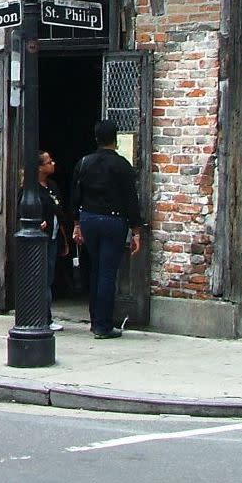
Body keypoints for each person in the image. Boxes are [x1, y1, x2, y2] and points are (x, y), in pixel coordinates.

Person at [70, 119, 144, 339]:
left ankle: (95, 320)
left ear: (96, 139)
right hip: (113, 221)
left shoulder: (84, 163)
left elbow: (76, 196)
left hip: (89, 219)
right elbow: (132, 200)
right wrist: (136, 230)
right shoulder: (122, 166)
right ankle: (103, 325)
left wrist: (76, 223)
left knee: (95, 269)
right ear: (115, 139)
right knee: (107, 273)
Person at [37, 151, 70, 331]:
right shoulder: (30, 189)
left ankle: (46, 317)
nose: (53, 163)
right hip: (40, 240)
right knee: (41, 278)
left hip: (53, 236)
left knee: (49, 278)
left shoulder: (52, 186)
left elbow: (59, 213)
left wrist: (64, 239)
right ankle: (42, 318)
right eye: (49, 162)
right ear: (40, 167)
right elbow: (23, 211)